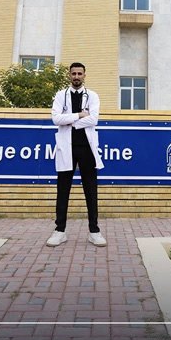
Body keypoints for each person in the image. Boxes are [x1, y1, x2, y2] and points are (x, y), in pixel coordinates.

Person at [47, 62, 106, 247]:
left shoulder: (93, 96)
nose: (76, 77)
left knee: (91, 190)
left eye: (80, 73)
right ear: (69, 75)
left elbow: (94, 119)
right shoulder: (60, 95)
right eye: (74, 73)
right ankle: (60, 231)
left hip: (87, 148)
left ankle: (94, 231)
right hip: (67, 148)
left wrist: (69, 120)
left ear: (84, 75)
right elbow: (56, 119)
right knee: (63, 190)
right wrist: (80, 115)